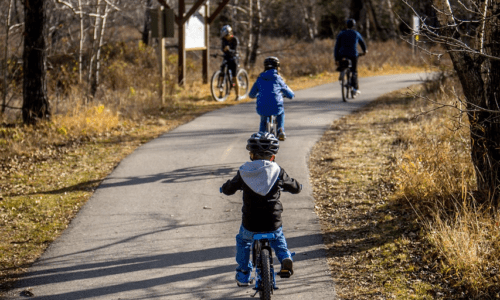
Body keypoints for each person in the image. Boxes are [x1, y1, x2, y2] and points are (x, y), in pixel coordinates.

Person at [220, 132, 302, 287]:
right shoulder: (278, 171)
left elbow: (230, 188)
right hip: (272, 220)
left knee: (243, 241)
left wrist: (225, 188)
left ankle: (243, 275)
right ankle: (285, 258)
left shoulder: (244, 171)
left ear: (251, 155)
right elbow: (293, 186)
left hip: (251, 222)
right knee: (278, 238)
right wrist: (298, 187)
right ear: (273, 157)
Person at [248, 56, 294, 141]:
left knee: (263, 119)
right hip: (276, 106)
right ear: (277, 67)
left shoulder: (260, 78)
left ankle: (261, 135)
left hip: (262, 106)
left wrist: (258, 95)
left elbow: (251, 94)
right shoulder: (278, 78)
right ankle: (280, 130)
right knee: (281, 112)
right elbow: (290, 94)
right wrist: (290, 95)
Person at [333, 19, 367, 96]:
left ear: (346, 25)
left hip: (342, 54)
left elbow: (336, 47)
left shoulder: (341, 34)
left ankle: (342, 72)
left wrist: (336, 58)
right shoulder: (356, 33)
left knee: (343, 65)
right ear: (354, 26)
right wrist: (365, 51)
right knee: (354, 71)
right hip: (353, 54)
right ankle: (355, 89)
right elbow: (362, 43)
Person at [220, 25, 240, 100]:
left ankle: (237, 95)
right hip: (226, 57)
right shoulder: (223, 40)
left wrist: (229, 50)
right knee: (222, 73)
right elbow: (222, 48)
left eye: (226, 35)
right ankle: (220, 93)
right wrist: (224, 50)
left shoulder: (234, 39)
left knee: (234, 77)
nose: (225, 37)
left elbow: (235, 50)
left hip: (233, 58)